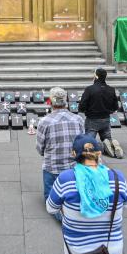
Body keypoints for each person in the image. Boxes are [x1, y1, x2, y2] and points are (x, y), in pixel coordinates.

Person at [47, 134, 127, 254]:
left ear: (74, 154)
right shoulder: (117, 177)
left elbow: (50, 208)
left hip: (78, 251)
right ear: (99, 153)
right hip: (111, 251)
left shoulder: (65, 179)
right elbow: (125, 205)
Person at [36, 86, 85, 220]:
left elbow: (40, 148)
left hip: (52, 167)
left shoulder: (44, 121)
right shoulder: (78, 119)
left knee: (50, 199)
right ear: (66, 101)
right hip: (74, 167)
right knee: (74, 194)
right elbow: (83, 143)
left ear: (50, 102)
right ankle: (76, 210)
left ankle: (66, 219)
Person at [79, 68, 122, 158]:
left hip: (92, 120)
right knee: (107, 137)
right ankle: (112, 145)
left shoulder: (89, 89)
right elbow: (115, 107)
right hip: (106, 119)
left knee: (88, 143)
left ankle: (99, 147)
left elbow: (82, 106)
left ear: (96, 76)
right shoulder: (111, 89)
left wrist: (85, 110)